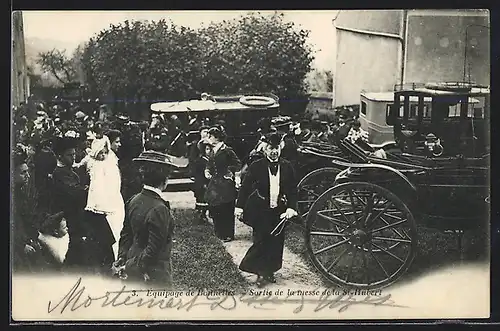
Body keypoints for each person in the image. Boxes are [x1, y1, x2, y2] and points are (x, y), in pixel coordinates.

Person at [235, 132, 298, 288]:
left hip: (279, 210)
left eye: (276, 148)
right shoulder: (257, 166)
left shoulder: (287, 166)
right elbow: (245, 187)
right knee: (261, 240)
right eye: (271, 148)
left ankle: (269, 270)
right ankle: (258, 271)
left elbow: (292, 189)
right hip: (260, 209)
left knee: (276, 241)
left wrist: (291, 207)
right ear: (265, 150)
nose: (274, 152)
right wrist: (239, 206)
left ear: (281, 149)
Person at [113, 151, 181, 286]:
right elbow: (154, 249)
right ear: (165, 179)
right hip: (153, 271)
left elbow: (126, 235)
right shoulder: (159, 208)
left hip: (133, 261)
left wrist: (122, 258)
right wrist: (134, 267)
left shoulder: (134, 200)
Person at [74, 136, 120, 269]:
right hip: (93, 190)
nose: (103, 156)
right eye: (101, 153)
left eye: (105, 153)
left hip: (102, 191)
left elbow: (111, 179)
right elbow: (82, 163)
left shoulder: (107, 163)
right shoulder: (91, 161)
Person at [50, 136, 89, 269]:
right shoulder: (58, 174)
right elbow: (74, 195)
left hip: (76, 215)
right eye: (69, 155)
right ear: (60, 156)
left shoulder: (71, 172)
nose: (73, 157)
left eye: (74, 154)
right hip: (67, 216)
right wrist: (85, 190)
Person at [204, 125, 242, 242]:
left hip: (225, 184)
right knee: (215, 207)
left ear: (217, 137)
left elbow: (238, 164)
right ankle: (219, 232)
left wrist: (230, 172)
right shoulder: (212, 150)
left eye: (210, 136)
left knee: (226, 208)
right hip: (215, 183)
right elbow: (209, 164)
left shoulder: (227, 150)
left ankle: (228, 234)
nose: (208, 138)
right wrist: (207, 171)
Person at [12, 149, 41, 272]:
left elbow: (26, 220)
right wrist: (21, 245)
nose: (28, 176)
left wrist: (32, 238)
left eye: (27, 172)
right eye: (23, 173)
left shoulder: (20, 193)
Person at [193, 140, 212, 221]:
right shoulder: (201, 161)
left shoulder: (211, 160)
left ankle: (209, 212)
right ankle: (202, 214)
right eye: (207, 149)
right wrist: (202, 183)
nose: (209, 151)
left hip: (210, 182)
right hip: (203, 183)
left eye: (210, 149)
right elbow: (198, 174)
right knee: (202, 198)